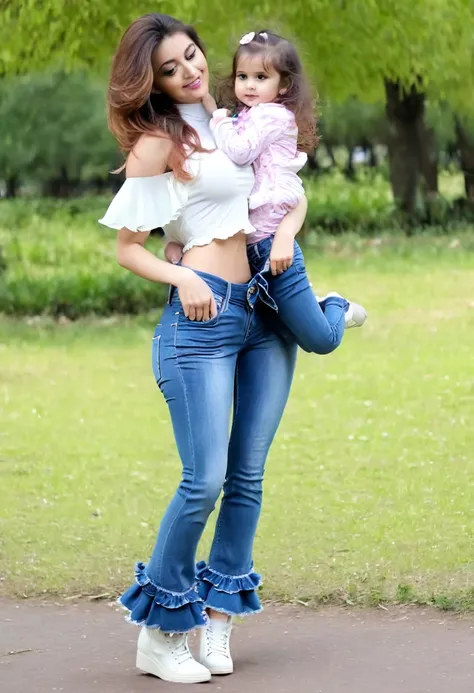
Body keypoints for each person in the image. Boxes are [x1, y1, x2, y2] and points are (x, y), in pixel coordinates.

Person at [99, 13, 303, 685]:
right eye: (170, 66)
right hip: (201, 320)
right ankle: (160, 633)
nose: (189, 70)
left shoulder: (229, 122)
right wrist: (183, 270)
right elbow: (129, 248)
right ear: (149, 81)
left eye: (191, 56)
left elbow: (266, 193)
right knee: (203, 480)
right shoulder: (157, 142)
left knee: (247, 477)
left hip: (260, 315)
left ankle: (217, 621)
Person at [166, 30, 367, 355]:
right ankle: (308, 309)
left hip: (273, 244)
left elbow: (239, 150)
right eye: (242, 76)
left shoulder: (273, 116)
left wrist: (216, 116)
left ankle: (335, 305)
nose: (249, 84)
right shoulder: (248, 116)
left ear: (283, 85)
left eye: (261, 77)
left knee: (322, 341)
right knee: (276, 326)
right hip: (252, 249)